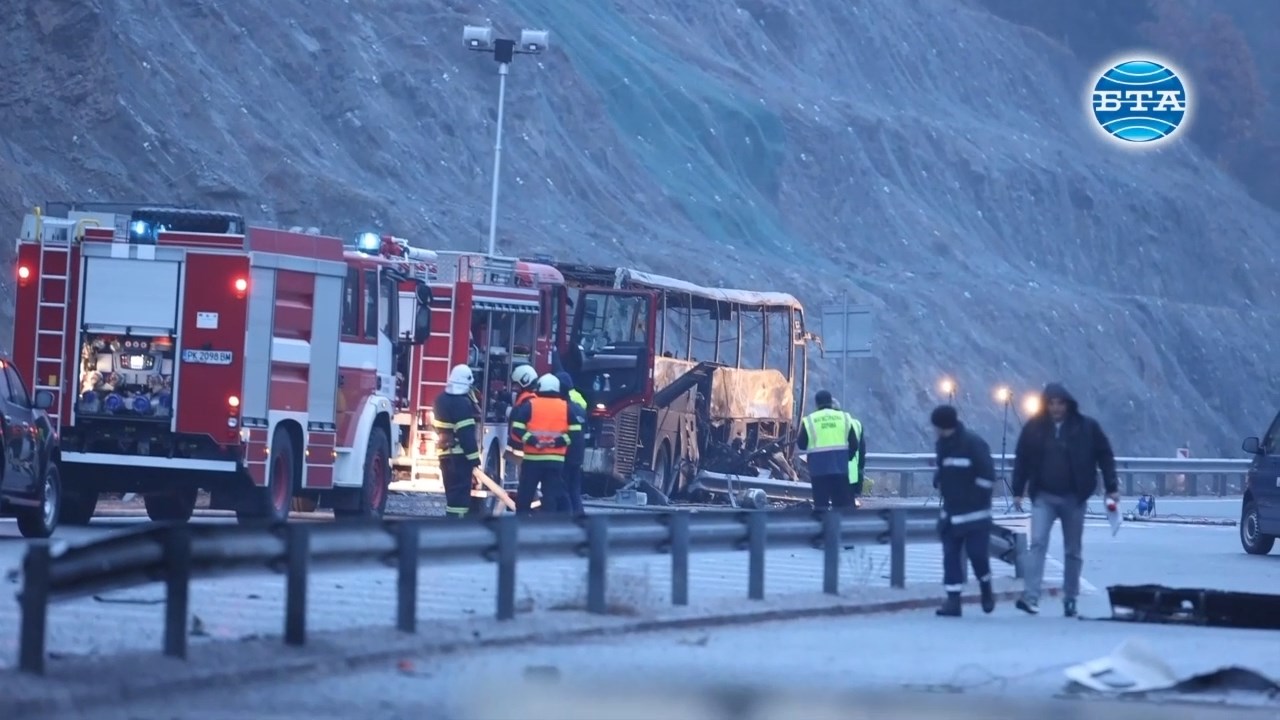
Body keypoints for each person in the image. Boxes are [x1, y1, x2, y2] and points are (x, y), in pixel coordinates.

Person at [1011, 382, 1119, 617]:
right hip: (1043, 496)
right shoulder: (1034, 428)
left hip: (1074, 497)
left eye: (1060, 403)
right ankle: (1030, 596)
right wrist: (1017, 489)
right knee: (1037, 543)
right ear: (1045, 404)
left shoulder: (1086, 427)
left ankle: (1070, 597)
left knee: (1073, 550)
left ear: (1067, 404)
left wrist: (1112, 486)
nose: (1056, 408)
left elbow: (1104, 454)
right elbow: (1022, 458)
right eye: (1051, 403)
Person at [930, 405, 997, 617]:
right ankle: (953, 601)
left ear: (941, 426)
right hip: (951, 513)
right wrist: (939, 479)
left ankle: (986, 589)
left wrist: (972, 499)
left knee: (977, 555)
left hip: (975, 514)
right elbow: (945, 470)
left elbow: (987, 477)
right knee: (950, 556)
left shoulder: (973, 444)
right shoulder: (943, 445)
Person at [507, 373, 580, 516]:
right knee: (550, 497)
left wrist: (532, 441)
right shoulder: (565, 407)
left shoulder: (530, 405)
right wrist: (558, 442)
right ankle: (547, 528)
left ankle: (520, 525)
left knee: (525, 496)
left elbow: (517, 427)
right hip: (555, 461)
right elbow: (576, 431)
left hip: (532, 460)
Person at [796, 390, 862, 510]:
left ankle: (824, 527)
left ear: (816, 403)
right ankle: (839, 527)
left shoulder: (810, 420)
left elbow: (801, 444)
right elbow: (854, 444)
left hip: (818, 470)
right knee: (841, 506)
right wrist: (847, 458)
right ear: (831, 402)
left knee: (821, 506)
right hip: (840, 468)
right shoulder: (844, 417)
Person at [432, 364, 482, 519]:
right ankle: (458, 528)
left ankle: (451, 523)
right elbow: (466, 435)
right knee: (460, 499)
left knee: (451, 496)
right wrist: (474, 460)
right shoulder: (462, 404)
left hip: (444, 456)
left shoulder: (440, 400)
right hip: (460, 458)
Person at [555, 370, 589, 517]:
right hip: (578, 454)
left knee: (564, 489)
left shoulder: (563, 409)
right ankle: (579, 517)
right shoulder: (579, 408)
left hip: (566, 454)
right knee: (575, 489)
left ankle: (569, 518)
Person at [504, 364, 539, 484]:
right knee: (519, 479)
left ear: (525, 382)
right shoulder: (527, 396)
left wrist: (501, 407)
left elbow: (516, 414)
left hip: (521, 447)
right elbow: (516, 398)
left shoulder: (530, 400)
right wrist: (502, 395)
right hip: (518, 445)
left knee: (523, 480)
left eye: (516, 385)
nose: (514, 387)